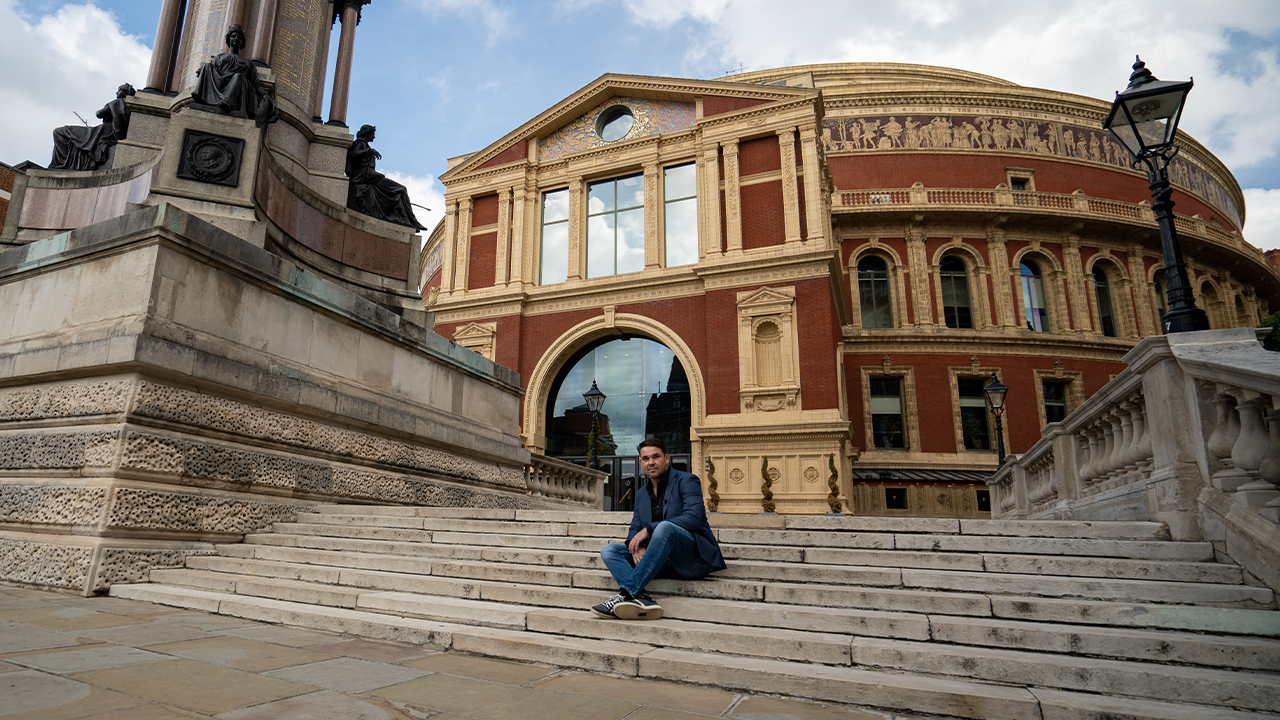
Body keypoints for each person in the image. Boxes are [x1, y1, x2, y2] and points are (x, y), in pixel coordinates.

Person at [591, 438, 726, 620]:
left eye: (656, 457)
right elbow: (635, 528)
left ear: (666, 458)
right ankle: (643, 599)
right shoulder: (641, 494)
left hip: (693, 560)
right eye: (646, 459)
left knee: (665, 527)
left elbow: (693, 518)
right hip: (660, 561)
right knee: (610, 550)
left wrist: (650, 529)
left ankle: (627, 593)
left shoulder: (687, 480)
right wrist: (637, 546)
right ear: (640, 462)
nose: (651, 462)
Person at [191, 25, 278, 128]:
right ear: (228, 39)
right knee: (206, 66)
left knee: (238, 77)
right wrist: (202, 72)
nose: (236, 39)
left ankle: (227, 101)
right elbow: (210, 71)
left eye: (239, 37)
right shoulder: (219, 58)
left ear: (242, 42)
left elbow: (256, 85)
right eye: (233, 36)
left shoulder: (248, 63)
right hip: (219, 85)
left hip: (237, 88)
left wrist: (268, 98)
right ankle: (200, 97)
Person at [346, 124, 426, 231]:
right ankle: (413, 221)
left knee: (400, 191)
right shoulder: (360, 143)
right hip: (366, 177)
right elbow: (353, 155)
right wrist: (369, 151)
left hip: (371, 176)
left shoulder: (364, 145)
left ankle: (410, 220)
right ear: (367, 133)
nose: (374, 137)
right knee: (401, 189)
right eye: (373, 134)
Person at [49, 83, 135, 171]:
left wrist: (109, 107)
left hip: (104, 131)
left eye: (119, 90)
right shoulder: (129, 107)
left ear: (125, 92)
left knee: (60, 132)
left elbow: (99, 114)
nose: (116, 92)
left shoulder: (117, 103)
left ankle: (61, 164)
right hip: (109, 132)